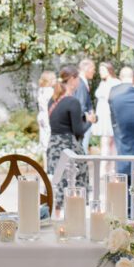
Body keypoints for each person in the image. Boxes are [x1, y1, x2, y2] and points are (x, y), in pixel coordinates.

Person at [47, 65, 87, 214]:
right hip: (68, 147)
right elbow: (78, 131)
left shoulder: (53, 100)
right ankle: (73, 219)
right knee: (73, 185)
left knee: (57, 184)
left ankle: (55, 218)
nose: (79, 83)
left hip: (54, 146)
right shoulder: (72, 102)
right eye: (78, 79)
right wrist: (89, 121)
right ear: (72, 79)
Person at [92, 62, 118, 159]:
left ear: (109, 70)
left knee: (109, 142)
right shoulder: (102, 83)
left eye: (103, 70)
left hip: (109, 114)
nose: (100, 72)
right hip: (101, 114)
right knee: (106, 142)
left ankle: (107, 168)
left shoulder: (115, 82)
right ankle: (106, 168)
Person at [76, 58, 97, 153]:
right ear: (87, 68)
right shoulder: (81, 84)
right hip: (83, 124)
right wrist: (88, 116)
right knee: (82, 152)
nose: (94, 71)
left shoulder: (81, 82)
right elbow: (80, 105)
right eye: (93, 69)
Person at [36, 70, 57, 164]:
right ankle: (51, 166)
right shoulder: (51, 91)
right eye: (54, 78)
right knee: (50, 141)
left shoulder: (41, 90)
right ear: (50, 80)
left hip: (41, 116)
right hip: (48, 117)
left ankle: (46, 166)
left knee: (44, 142)